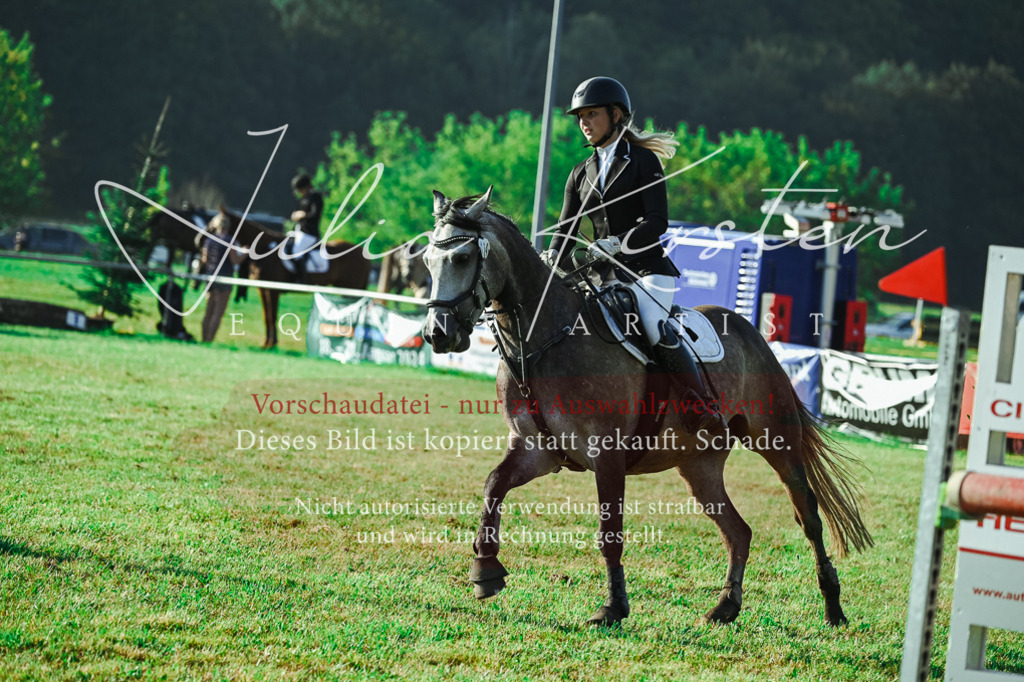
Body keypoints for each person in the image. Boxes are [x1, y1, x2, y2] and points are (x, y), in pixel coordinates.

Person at [543, 76, 726, 436]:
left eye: (592, 114)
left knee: (653, 325)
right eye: (580, 116)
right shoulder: (579, 173)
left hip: (647, 271)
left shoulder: (642, 161)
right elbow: (565, 229)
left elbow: (658, 221)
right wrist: (550, 257)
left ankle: (698, 403)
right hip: (600, 276)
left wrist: (619, 243)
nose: (584, 122)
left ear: (616, 115)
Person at [199, 212, 247, 343]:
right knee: (218, 313)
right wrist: (245, 252)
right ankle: (209, 340)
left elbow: (204, 259)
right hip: (224, 277)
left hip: (210, 276)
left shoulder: (209, 240)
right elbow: (235, 260)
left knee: (208, 311)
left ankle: (203, 339)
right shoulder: (230, 241)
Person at [289, 173, 323, 282]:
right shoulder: (304, 198)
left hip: (309, 233)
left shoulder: (316, 197)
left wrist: (303, 215)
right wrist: (295, 215)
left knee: (296, 252)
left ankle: (301, 279)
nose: (299, 192)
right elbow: (297, 211)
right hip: (298, 231)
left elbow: (315, 214)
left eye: (300, 190)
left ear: (306, 187)